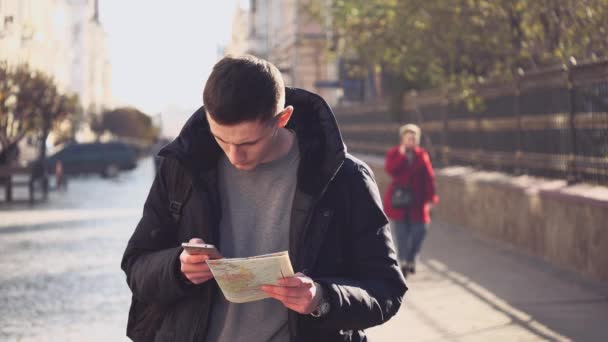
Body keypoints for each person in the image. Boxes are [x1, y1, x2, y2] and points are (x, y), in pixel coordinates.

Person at [121, 55, 406, 342]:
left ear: (283, 119)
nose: (234, 156)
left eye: (248, 143)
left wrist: (322, 298)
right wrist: (178, 266)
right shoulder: (182, 168)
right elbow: (136, 266)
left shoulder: (345, 178)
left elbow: (386, 290)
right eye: (221, 139)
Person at [383, 124, 438, 276]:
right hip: (399, 202)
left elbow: (429, 178)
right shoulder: (394, 153)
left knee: (419, 231)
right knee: (401, 235)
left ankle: (412, 258)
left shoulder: (422, 155)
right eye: (408, 138)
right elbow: (390, 170)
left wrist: (431, 198)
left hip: (418, 202)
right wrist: (401, 156)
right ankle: (403, 262)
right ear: (402, 139)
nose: (411, 141)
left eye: (414, 138)